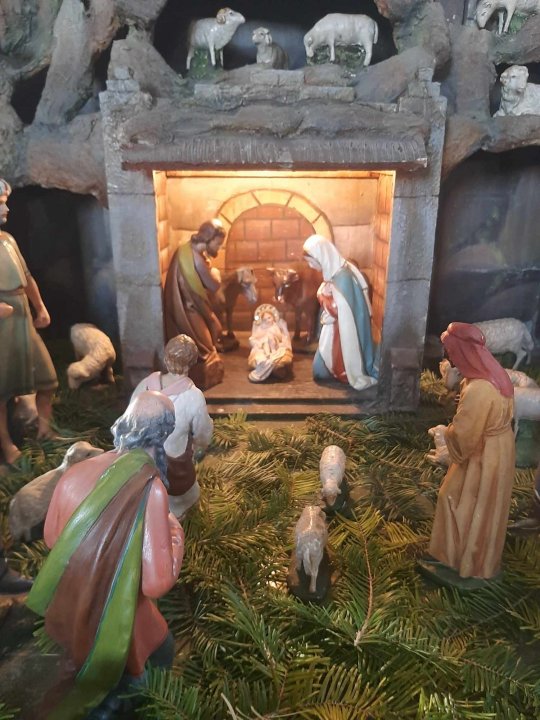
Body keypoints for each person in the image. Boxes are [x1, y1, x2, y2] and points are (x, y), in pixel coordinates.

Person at [27, 391, 184, 719]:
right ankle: (126, 703)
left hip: (70, 603)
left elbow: (52, 539)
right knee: (162, 650)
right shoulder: (149, 488)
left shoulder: (78, 470)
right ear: (163, 435)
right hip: (116, 611)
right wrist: (175, 535)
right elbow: (156, 584)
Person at [424, 322, 515, 583]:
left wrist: (447, 433)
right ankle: (464, 558)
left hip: (483, 453)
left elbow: (465, 434)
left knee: (456, 498)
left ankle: (461, 560)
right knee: (484, 505)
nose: (451, 361)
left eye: (452, 354)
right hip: (499, 448)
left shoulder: (479, 389)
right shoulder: (495, 377)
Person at [0, 178, 58, 464]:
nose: (6, 209)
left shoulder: (8, 240)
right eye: (0, 204)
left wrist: (40, 307)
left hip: (22, 315)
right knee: (2, 390)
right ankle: (7, 445)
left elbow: (27, 277)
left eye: (5, 203)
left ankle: (45, 429)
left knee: (47, 379)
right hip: (3, 325)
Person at [132, 335, 213, 519]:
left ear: (166, 359)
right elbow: (202, 431)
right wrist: (201, 444)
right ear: (191, 363)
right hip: (173, 467)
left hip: (143, 460)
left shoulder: (145, 385)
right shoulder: (194, 396)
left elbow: (130, 416)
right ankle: (174, 512)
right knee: (183, 492)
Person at [302, 234, 377, 391]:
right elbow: (326, 289)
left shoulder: (343, 277)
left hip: (343, 333)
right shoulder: (334, 272)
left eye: (311, 262)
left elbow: (339, 309)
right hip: (333, 329)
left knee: (323, 370)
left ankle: (344, 371)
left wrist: (322, 297)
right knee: (319, 370)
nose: (310, 266)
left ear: (322, 257)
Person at [163, 219, 226, 390]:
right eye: (218, 244)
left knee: (211, 338)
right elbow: (214, 285)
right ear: (207, 239)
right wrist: (216, 273)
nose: (219, 248)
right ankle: (198, 372)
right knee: (207, 347)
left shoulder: (185, 250)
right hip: (188, 310)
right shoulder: (197, 261)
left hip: (191, 306)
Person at [247, 304, 293, 383]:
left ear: (273, 317)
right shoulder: (261, 328)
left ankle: (274, 361)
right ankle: (268, 359)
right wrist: (257, 342)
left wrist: (278, 332)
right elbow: (254, 338)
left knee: (271, 339)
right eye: (265, 319)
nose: (268, 320)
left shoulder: (275, 326)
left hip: (275, 344)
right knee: (263, 348)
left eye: (269, 318)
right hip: (263, 345)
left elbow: (280, 337)